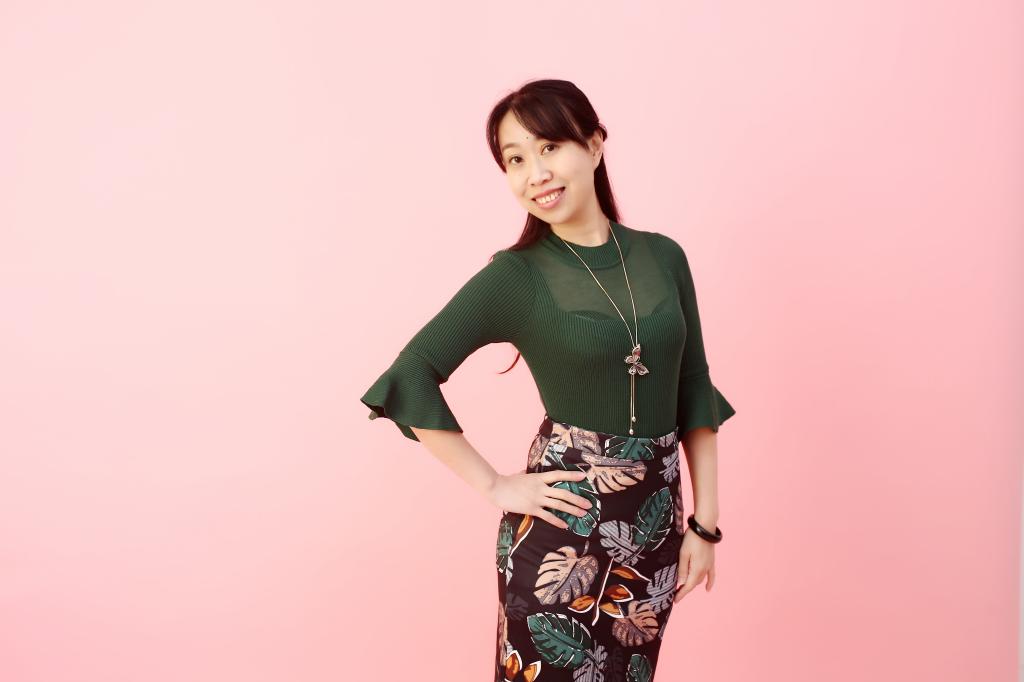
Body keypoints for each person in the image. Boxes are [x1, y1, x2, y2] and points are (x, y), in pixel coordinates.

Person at [359, 78, 736, 681]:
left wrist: (705, 526)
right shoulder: (516, 276)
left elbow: (693, 387)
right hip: (560, 534)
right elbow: (411, 374)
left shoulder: (664, 257)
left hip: (654, 531)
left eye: (549, 148)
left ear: (595, 144)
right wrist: (494, 486)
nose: (535, 173)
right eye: (515, 159)